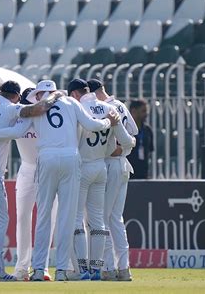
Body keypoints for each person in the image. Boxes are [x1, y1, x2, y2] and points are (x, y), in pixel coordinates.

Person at [18, 80, 118, 281]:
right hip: (71, 158)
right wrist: (108, 121)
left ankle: (38, 269)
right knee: (67, 216)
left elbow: (15, 131)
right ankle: (62, 270)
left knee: (44, 215)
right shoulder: (72, 103)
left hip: (46, 158)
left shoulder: (36, 108)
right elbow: (91, 124)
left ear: (40, 94)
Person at [0, 88, 58, 281]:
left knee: (48, 219)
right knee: (23, 219)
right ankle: (21, 267)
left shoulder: (48, 116)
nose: (36, 99)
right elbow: (10, 128)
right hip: (27, 169)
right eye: (34, 96)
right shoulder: (19, 115)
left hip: (47, 168)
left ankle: (41, 267)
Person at [68, 79, 134, 281]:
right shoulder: (109, 107)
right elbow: (127, 140)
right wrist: (116, 148)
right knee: (99, 221)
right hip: (101, 167)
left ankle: (82, 270)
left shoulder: (77, 108)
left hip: (83, 166)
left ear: (75, 94)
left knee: (77, 218)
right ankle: (97, 269)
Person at [88, 79, 138, 281]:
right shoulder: (121, 105)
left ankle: (108, 267)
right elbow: (133, 132)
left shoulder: (104, 108)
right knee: (116, 218)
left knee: (103, 217)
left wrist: (118, 146)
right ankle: (124, 267)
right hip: (123, 163)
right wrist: (124, 147)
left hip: (109, 163)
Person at [127, 99, 154, 179]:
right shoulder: (126, 129)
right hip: (129, 173)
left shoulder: (147, 130)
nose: (146, 114)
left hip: (143, 173)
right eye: (143, 111)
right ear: (133, 111)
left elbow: (150, 151)